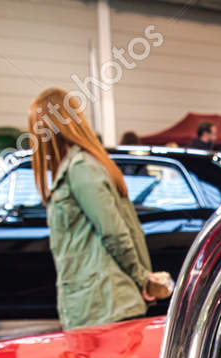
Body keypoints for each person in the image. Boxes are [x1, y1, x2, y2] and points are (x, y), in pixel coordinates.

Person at [28, 87, 171, 329]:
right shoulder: (77, 167)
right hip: (96, 306)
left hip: (105, 308)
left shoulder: (81, 168)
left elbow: (114, 231)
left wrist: (141, 279)